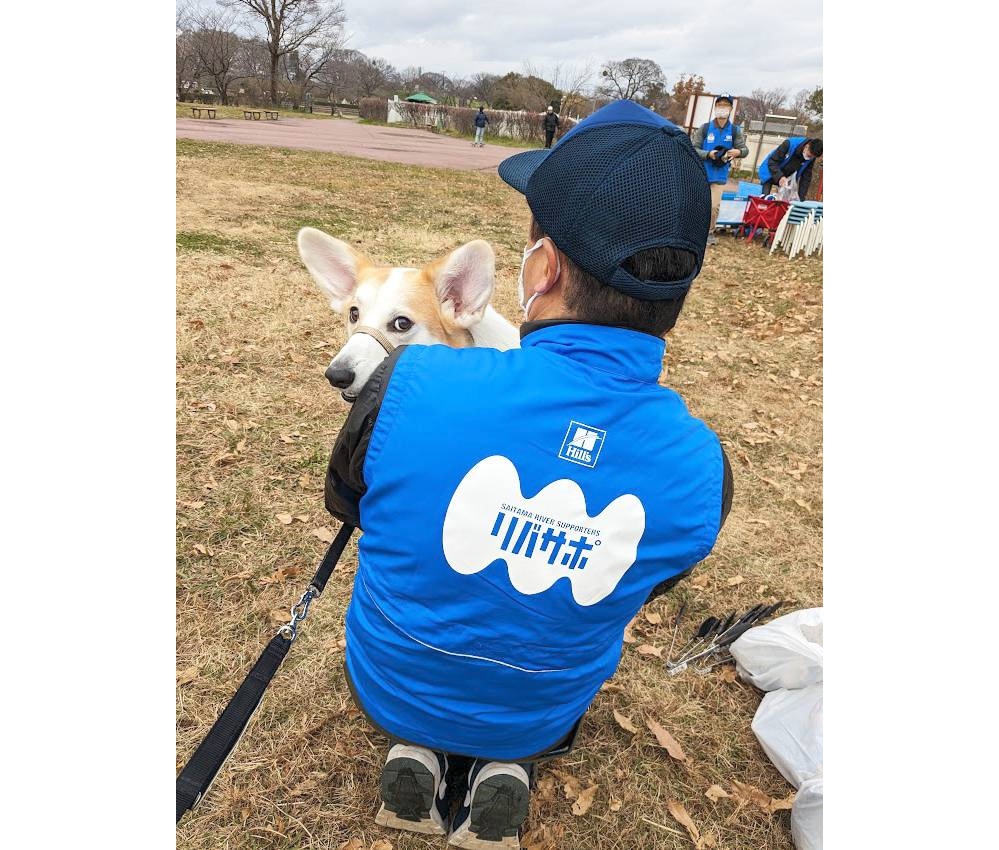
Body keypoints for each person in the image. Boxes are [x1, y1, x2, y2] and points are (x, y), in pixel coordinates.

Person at [322, 99, 733, 849]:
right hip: (541, 708)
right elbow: (639, 580)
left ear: (539, 269)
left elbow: (351, 509)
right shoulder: (701, 471)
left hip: (389, 682)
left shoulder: (406, 388)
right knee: (537, 653)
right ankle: (504, 759)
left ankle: (416, 740)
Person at [692, 93, 748, 246]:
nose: (722, 108)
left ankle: (709, 232)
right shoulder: (705, 128)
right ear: (715, 107)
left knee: (713, 206)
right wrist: (708, 154)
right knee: (697, 203)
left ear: (730, 109)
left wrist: (738, 152)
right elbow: (693, 148)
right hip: (701, 172)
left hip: (719, 175)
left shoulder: (735, 131)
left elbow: (744, 149)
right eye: (719, 105)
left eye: (725, 105)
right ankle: (692, 231)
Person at [758, 136, 823, 198]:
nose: (809, 158)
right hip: (771, 170)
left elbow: (806, 177)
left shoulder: (812, 156)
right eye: (809, 156)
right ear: (807, 146)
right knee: (764, 197)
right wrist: (780, 177)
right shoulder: (789, 144)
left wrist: (801, 198)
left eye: (812, 157)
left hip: (788, 178)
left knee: (784, 201)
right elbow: (772, 161)